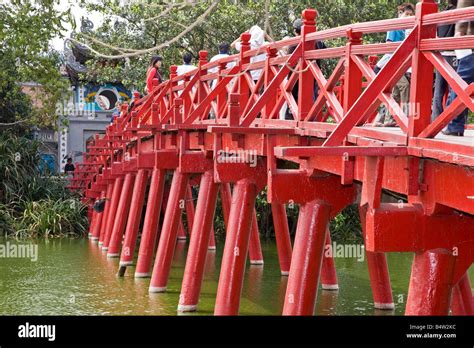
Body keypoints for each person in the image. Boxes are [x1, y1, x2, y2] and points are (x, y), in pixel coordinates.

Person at [374, 3, 415, 127]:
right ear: (400, 13)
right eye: (406, 14)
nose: (408, 17)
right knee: (405, 87)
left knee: (393, 92)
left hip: (396, 64)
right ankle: (405, 118)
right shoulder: (395, 26)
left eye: (411, 15)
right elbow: (389, 46)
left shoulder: (405, 30)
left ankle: (382, 120)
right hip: (388, 64)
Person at [443, 0, 473, 136]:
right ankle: (454, 124)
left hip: (466, 41)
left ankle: (454, 125)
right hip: (467, 40)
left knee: (460, 85)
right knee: (461, 85)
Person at [431, 0, 458, 122]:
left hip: (440, 56)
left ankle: (437, 119)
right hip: (454, 54)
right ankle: (452, 118)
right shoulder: (459, 13)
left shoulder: (441, 15)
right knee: (455, 88)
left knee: (439, 89)